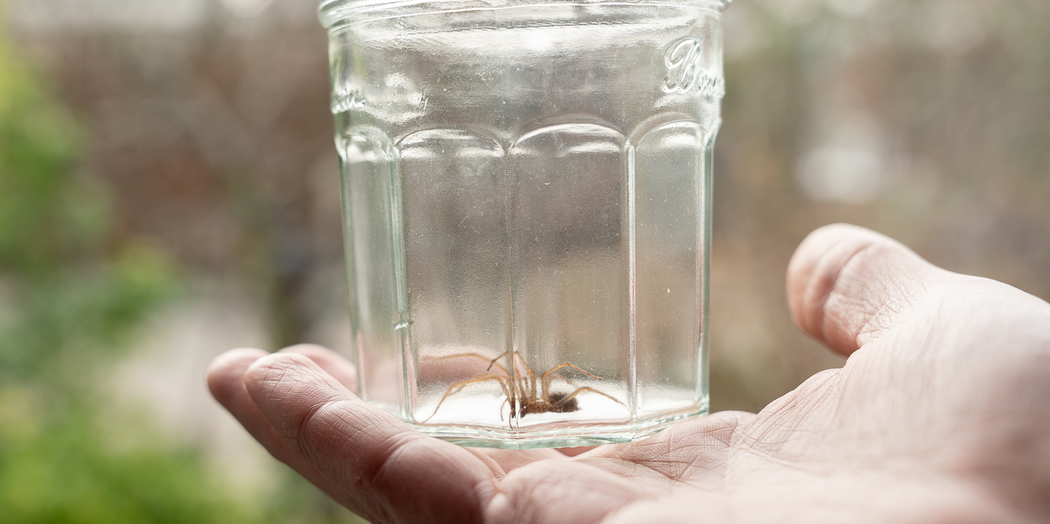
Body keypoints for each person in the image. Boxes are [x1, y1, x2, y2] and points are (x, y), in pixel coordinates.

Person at [207, 224, 1050, 523]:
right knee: (507, 367)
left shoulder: (550, 387)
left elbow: (553, 373)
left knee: (534, 370)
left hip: (576, 410)